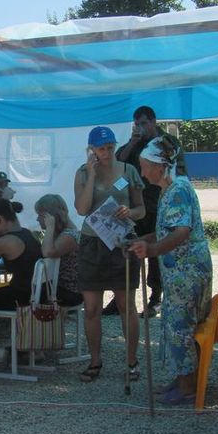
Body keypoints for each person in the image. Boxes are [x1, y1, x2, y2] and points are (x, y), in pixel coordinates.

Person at [129, 135, 212, 405]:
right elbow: (166, 230)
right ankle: (181, 378)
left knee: (181, 327)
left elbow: (181, 231)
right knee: (174, 325)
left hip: (187, 273)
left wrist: (152, 250)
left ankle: (188, 387)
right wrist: (143, 240)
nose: (143, 173)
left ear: (159, 165)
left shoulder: (178, 190)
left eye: (145, 166)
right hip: (177, 274)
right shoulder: (169, 190)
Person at [74, 126, 145, 382]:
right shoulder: (82, 172)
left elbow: (141, 209)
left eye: (110, 147)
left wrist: (129, 212)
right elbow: (82, 209)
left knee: (127, 305)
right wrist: (92, 174)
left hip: (121, 242)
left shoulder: (128, 170)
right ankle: (95, 361)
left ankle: (132, 361)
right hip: (92, 243)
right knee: (91, 308)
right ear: (91, 150)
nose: (107, 152)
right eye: (102, 148)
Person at [104, 105, 186, 319]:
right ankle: (122, 297)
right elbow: (118, 163)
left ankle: (155, 298)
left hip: (159, 204)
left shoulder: (167, 143)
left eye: (144, 123)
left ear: (153, 121)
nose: (140, 127)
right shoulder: (136, 142)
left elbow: (179, 172)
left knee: (156, 253)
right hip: (136, 206)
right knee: (130, 249)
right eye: (137, 124)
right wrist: (133, 142)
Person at [0, 198, 42, 360]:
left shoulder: (4, 241)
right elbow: (21, 262)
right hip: (35, 293)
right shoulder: (28, 233)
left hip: (21, 297)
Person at [34, 193, 83, 306]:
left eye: (40, 215)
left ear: (50, 217)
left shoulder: (69, 235)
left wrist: (50, 227)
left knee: (24, 291)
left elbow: (47, 253)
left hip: (70, 292)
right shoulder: (63, 233)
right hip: (59, 288)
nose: (37, 219)